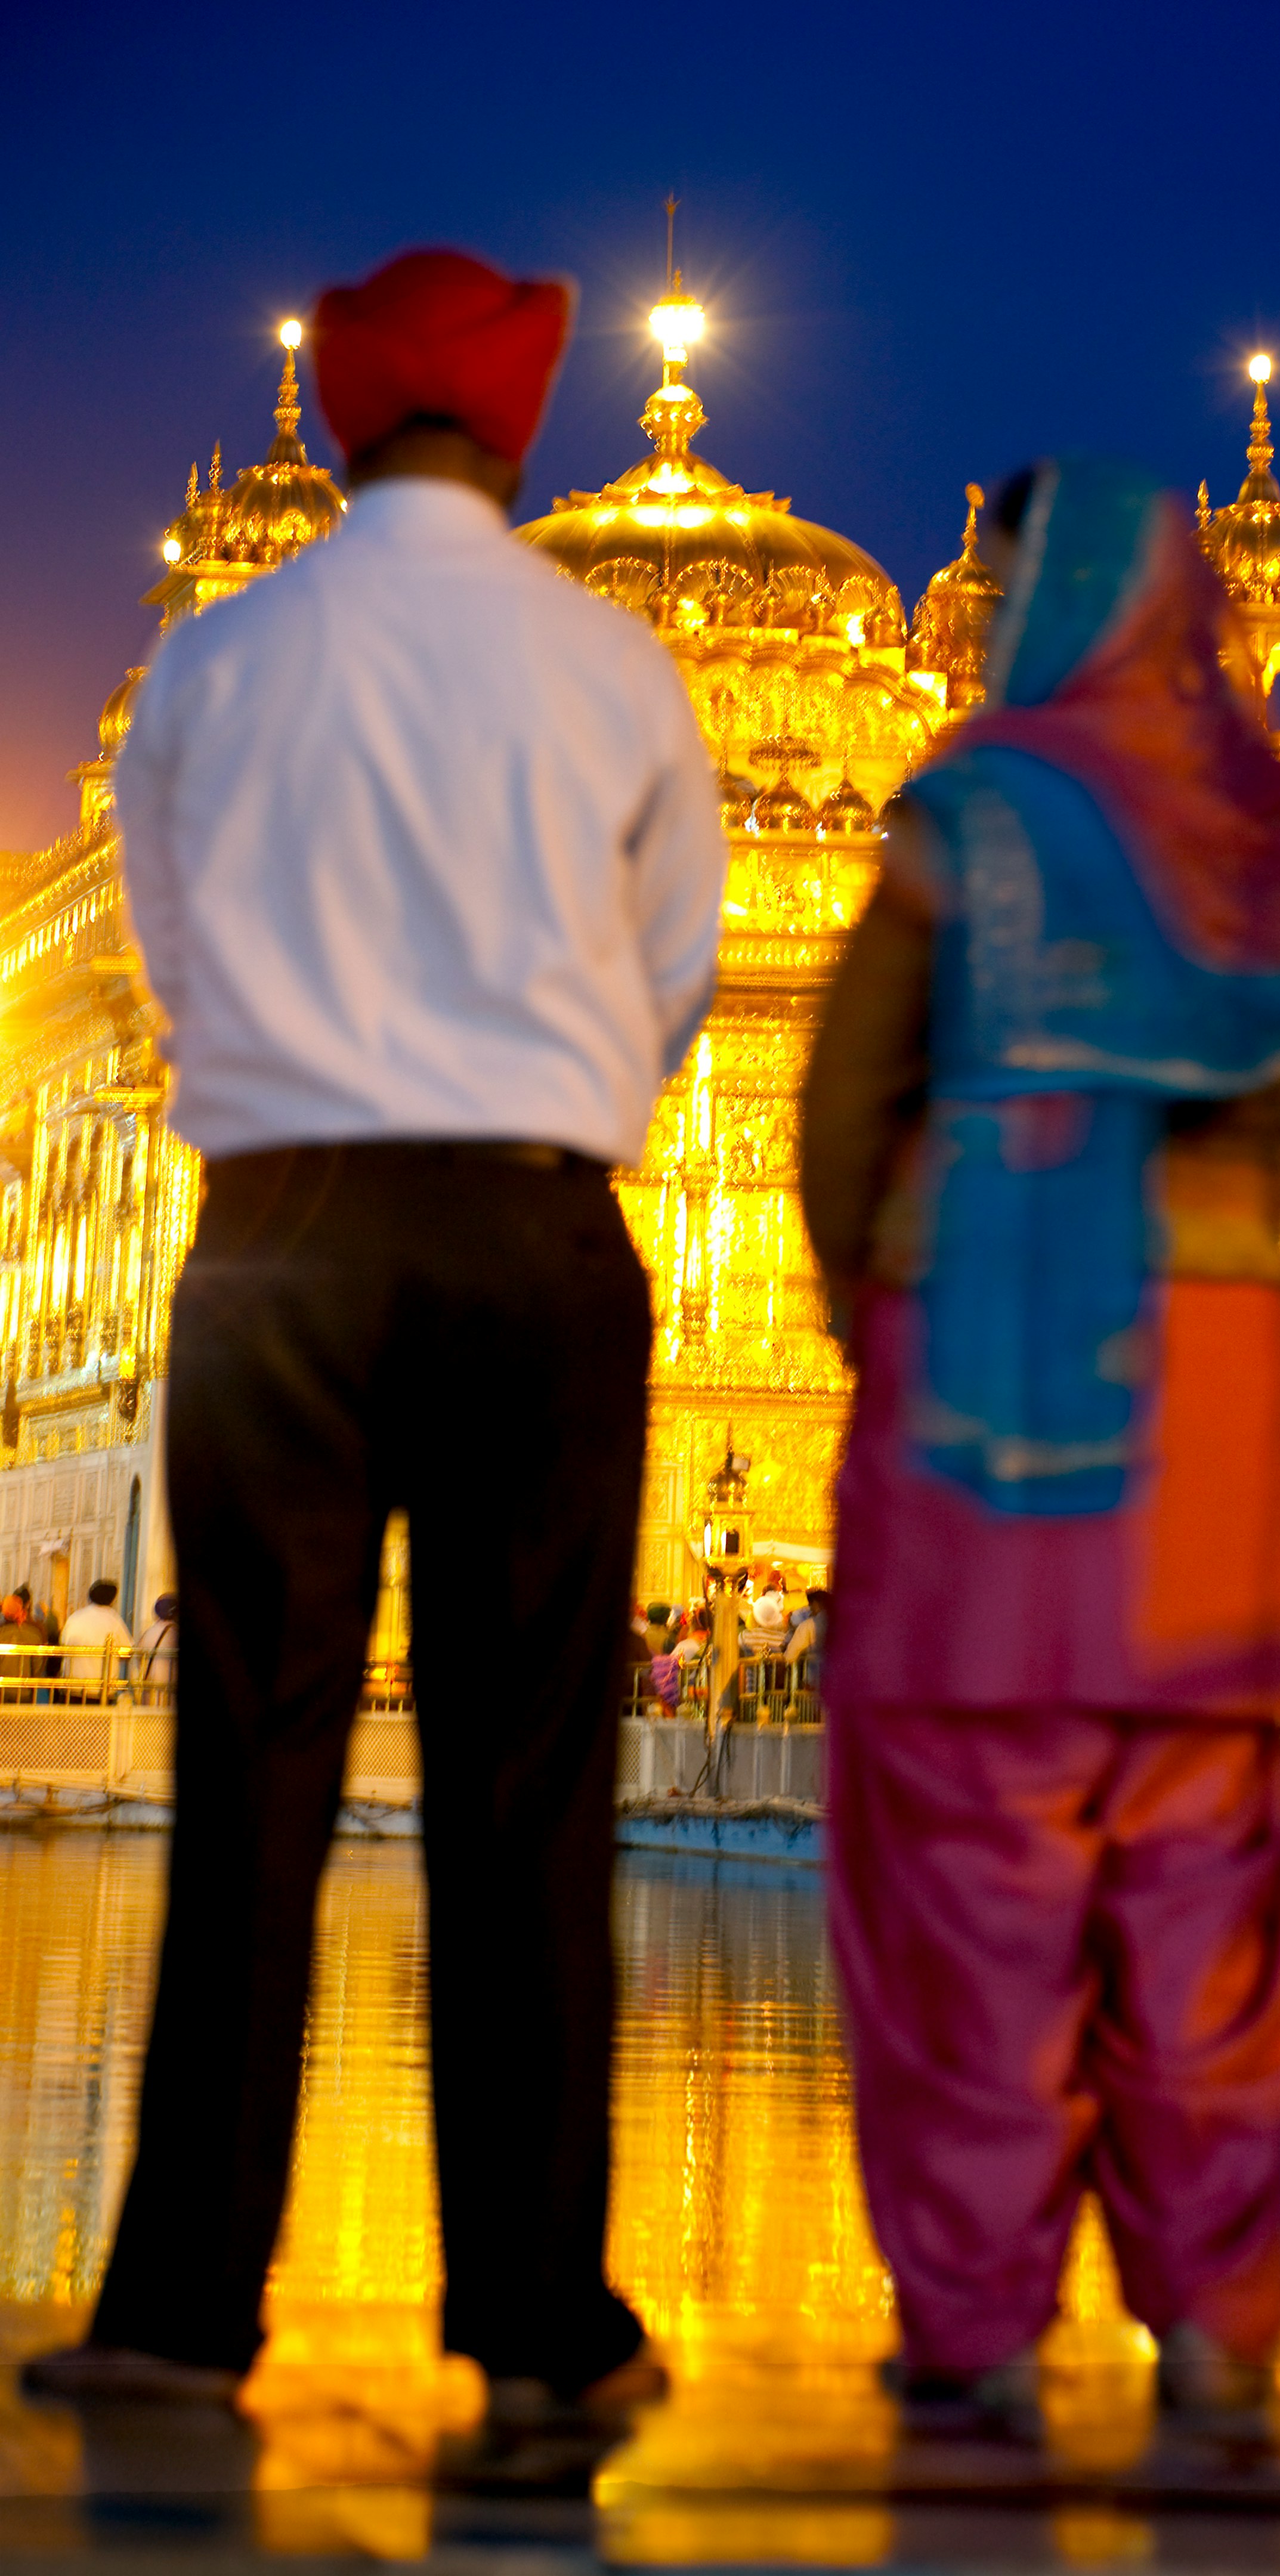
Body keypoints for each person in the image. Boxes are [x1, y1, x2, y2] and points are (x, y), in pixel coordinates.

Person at [28, 248, 727, 2416]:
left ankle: (174, 2313)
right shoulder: (612, 668)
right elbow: (680, 964)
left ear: (338, 422)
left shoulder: (220, 665)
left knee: (252, 1764)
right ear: (519, 430)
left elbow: (161, 945)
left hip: (276, 1232)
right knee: (533, 1782)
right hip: (531, 1229)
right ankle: (535, 2319)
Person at [800, 458, 1280, 2422]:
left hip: (982, 1413)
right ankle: (1216, 2330)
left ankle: (976, 2336)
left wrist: (888, 1311)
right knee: (1214, 1880)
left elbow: (848, 1090)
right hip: (1210, 1400)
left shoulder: (976, 811)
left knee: (976, 1881)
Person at [59, 1579, 133, 1695]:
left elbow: (63, 1643)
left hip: (73, 1686)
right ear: (112, 1600)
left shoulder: (75, 1617)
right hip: (100, 1689)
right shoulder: (113, 1620)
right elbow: (128, 1652)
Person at [0, 1593, 44, 1702]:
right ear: (21, 1612)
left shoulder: (2, 1634)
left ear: (5, 1613)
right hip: (23, 1692)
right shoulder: (34, 1634)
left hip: (2, 1691)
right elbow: (38, 1667)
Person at [132, 1592, 180, 1683]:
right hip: (169, 1689)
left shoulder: (148, 1633)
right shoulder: (175, 1633)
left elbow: (139, 1659)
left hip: (150, 1689)